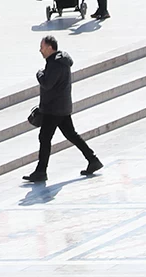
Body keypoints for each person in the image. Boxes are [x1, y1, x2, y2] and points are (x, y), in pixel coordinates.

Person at [24, 37, 101, 184]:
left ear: (50, 47)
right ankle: (93, 159)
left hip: (53, 109)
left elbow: (47, 83)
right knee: (71, 135)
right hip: (61, 106)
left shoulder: (54, 64)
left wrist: (39, 74)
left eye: (42, 47)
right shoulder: (61, 61)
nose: (40, 50)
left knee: (45, 138)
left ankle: (41, 171)